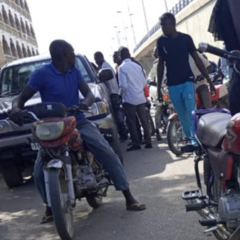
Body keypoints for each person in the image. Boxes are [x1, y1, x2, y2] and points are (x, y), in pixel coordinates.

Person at [9, 39, 145, 222]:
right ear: (65, 54)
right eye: (72, 52)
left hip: (77, 121)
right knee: (39, 172)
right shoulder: (41, 74)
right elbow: (21, 98)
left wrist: (84, 104)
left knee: (106, 150)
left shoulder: (74, 72)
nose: (74, 54)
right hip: (53, 126)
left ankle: (128, 197)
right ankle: (50, 207)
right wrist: (16, 108)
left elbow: (88, 94)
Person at [156, 13, 215, 144]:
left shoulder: (185, 39)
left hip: (187, 81)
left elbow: (197, 59)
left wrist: (209, 81)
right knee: (182, 116)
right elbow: (160, 65)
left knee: (191, 112)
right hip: (172, 85)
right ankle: (190, 139)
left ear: (173, 23)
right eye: (161, 25)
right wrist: (159, 87)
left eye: (164, 24)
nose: (162, 28)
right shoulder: (161, 42)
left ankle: (196, 141)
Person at [118, 47, 154, 151]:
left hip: (129, 99)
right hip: (140, 97)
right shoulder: (137, 66)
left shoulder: (122, 68)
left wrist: (120, 95)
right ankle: (148, 142)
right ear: (129, 54)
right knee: (144, 120)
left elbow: (123, 85)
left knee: (131, 122)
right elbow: (144, 82)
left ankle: (136, 143)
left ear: (120, 56)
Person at [94, 50, 129, 144]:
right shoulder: (102, 67)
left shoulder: (105, 67)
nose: (96, 61)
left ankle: (123, 134)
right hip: (110, 94)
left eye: (97, 58)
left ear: (101, 57)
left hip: (113, 93)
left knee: (118, 115)